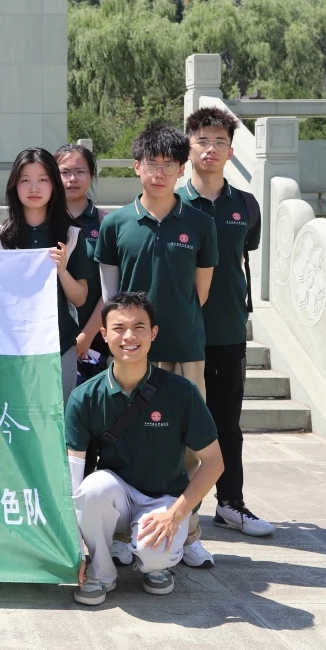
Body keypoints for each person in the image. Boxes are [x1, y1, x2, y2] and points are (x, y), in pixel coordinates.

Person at [93, 122, 219, 568]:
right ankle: (123, 534)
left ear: (182, 169)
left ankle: (189, 532)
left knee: (190, 448)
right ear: (137, 167)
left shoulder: (200, 224)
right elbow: (110, 296)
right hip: (130, 352)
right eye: (152, 164)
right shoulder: (116, 224)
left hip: (184, 349)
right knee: (126, 440)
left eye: (169, 165)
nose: (160, 173)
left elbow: (200, 292)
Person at [68, 292, 224, 606]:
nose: (129, 336)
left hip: (164, 499)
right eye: (119, 328)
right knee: (91, 490)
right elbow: (73, 473)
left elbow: (213, 462)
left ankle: (155, 566)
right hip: (116, 495)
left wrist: (176, 515)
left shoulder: (180, 392)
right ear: (104, 334)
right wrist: (71, 553)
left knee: (155, 555)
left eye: (139, 327)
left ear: (153, 333)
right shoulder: (84, 396)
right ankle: (101, 571)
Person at [180, 106, 274, 537]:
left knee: (227, 423)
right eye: (202, 141)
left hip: (228, 329)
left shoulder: (246, 205)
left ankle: (231, 503)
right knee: (178, 422)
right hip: (181, 331)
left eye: (220, 142)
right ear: (189, 148)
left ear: (231, 152)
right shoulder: (174, 202)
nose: (211, 149)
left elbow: (244, 252)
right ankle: (177, 504)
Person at [0, 148, 91, 401]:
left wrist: (62, 271)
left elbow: (80, 298)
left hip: (59, 346)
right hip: (10, 348)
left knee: (58, 416)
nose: (34, 188)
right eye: (25, 180)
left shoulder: (72, 236)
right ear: (14, 186)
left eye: (42, 179)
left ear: (53, 185)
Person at [56, 144, 107, 379]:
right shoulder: (41, 222)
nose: (72, 179)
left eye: (80, 172)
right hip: (50, 339)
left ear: (91, 176)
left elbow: (111, 287)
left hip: (95, 341)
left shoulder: (106, 223)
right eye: (65, 172)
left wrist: (87, 335)